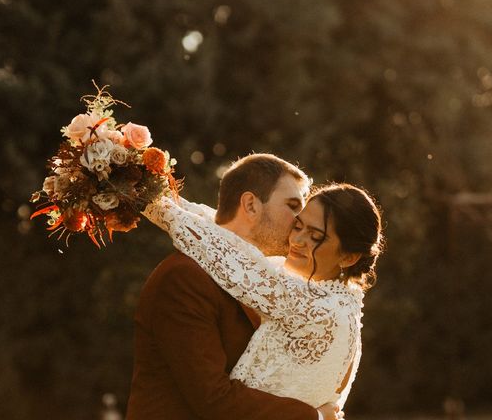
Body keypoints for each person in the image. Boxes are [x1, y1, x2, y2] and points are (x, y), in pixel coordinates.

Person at [143, 173, 384, 416]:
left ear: (349, 257)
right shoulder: (341, 300)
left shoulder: (317, 307)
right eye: (298, 226)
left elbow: (218, 251)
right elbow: (228, 238)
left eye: (315, 237)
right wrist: (155, 189)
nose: (297, 240)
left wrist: (145, 200)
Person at [126, 153, 334, 420]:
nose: (300, 222)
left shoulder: (260, 281)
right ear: (250, 205)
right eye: (293, 206)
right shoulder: (184, 277)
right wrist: (313, 416)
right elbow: (213, 399)